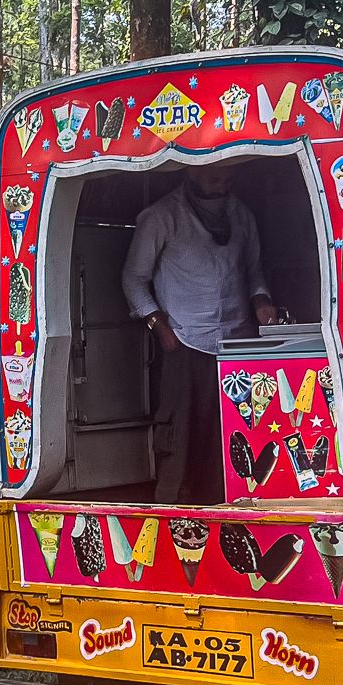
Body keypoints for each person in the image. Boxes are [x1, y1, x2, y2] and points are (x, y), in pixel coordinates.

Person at [122, 164, 279, 504]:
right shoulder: (162, 215)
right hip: (183, 340)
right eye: (212, 174)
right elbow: (133, 279)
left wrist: (261, 300)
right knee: (178, 438)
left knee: (228, 437)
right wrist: (158, 325)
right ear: (191, 172)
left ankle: (226, 511)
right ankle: (169, 519)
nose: (221, 180)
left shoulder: (241, 215)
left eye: (226, 174)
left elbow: (254, 271)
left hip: (238, 344)